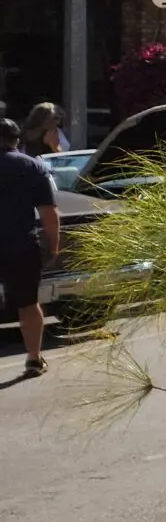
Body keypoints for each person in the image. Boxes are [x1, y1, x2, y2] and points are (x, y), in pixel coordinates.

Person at [0, 116, 59, 377]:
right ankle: (34, 358)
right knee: (28, 303)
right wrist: (54, 246)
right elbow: (49, 212)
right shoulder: (33, 166)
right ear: (16, 140)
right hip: (21, 245)